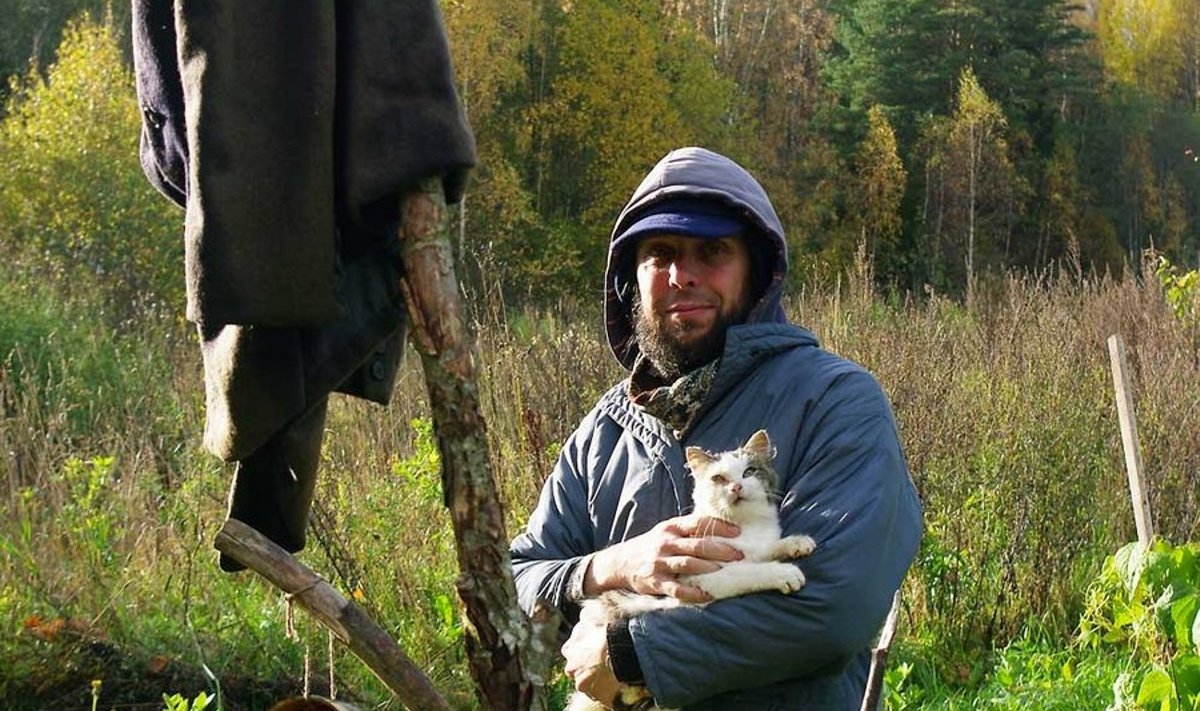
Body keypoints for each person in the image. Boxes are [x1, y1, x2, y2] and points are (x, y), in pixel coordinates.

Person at [509, 146, 923, 710]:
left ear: (755, 270)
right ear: (631, 278)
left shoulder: (834, 401)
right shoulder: (603, 433)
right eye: (660, 253)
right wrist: (608, 567)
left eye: (712, 251)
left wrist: (631, 654)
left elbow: (834, 601)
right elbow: (516, 580)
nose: (683, 275)